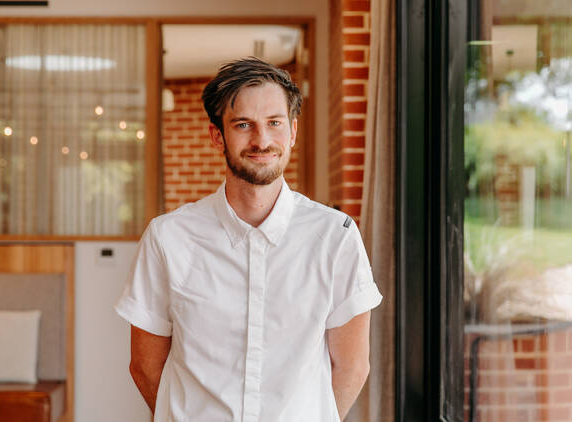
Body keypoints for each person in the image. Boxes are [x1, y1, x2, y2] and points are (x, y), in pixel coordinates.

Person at [115, 57, 382, 421]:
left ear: (292, 132)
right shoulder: (168, 238)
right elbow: (145, 367)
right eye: (244, 125)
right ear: (217, 135)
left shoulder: (336, 238)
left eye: (274, 123)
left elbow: (352, 368)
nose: (262, 140)